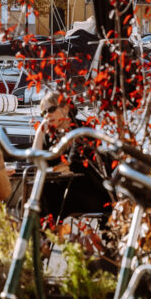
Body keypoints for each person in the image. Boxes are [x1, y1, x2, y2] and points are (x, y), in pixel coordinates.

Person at [32, 91, 112, 221]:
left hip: (89, 191)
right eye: (44, 113)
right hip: (64, 189)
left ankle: (45, 237)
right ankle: (39, 236)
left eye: (51, 109)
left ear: (65, 108)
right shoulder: (51, 135)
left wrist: (51, 169)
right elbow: (35, 162)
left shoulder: (83, 130)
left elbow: (73, 165)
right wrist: (40, 132)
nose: (47, 115)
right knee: (31, 194)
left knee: (44, 193)